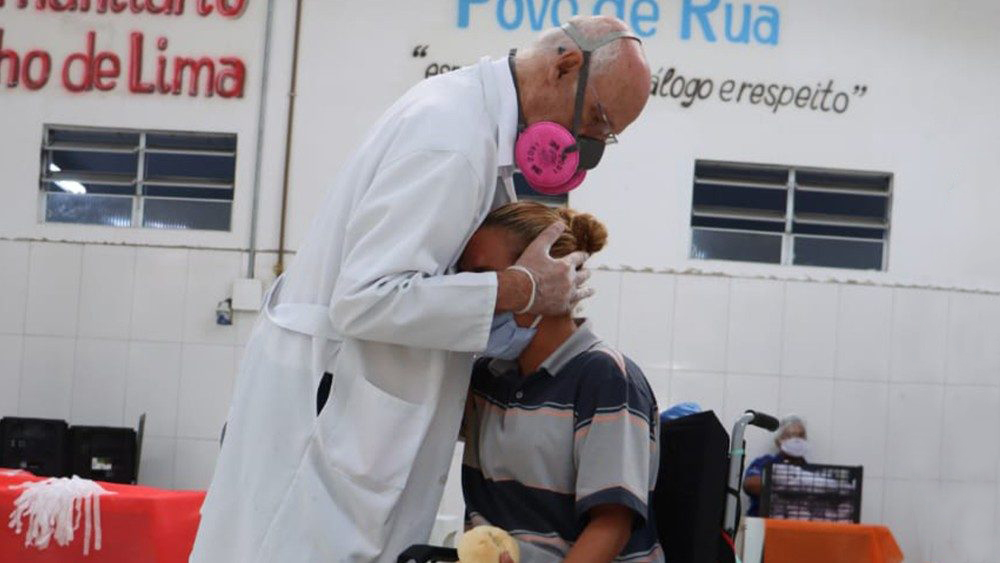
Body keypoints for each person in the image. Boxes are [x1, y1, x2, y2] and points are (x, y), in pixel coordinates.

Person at [190, 16, 652, 563]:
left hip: (356, 422)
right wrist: (517, 289)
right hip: (327, 420)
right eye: (594, 121)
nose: (583, 148)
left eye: (603, 138)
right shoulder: (452, 141)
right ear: (564, 66)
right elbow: (365, 299)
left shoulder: (476, 134)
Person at [459, 202, 663, 563]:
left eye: (486, 278)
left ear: (548, 277)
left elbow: (611, 526)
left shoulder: (606, 377)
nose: (474, 295)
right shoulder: (488, 375)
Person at [742, 415, 809, 517]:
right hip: (762, 522)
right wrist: (790, 485)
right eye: (790, 435)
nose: (796, 440)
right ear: (778, 441)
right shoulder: (765, 462)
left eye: (801, 435)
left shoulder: (810, 470)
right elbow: (750, 485)